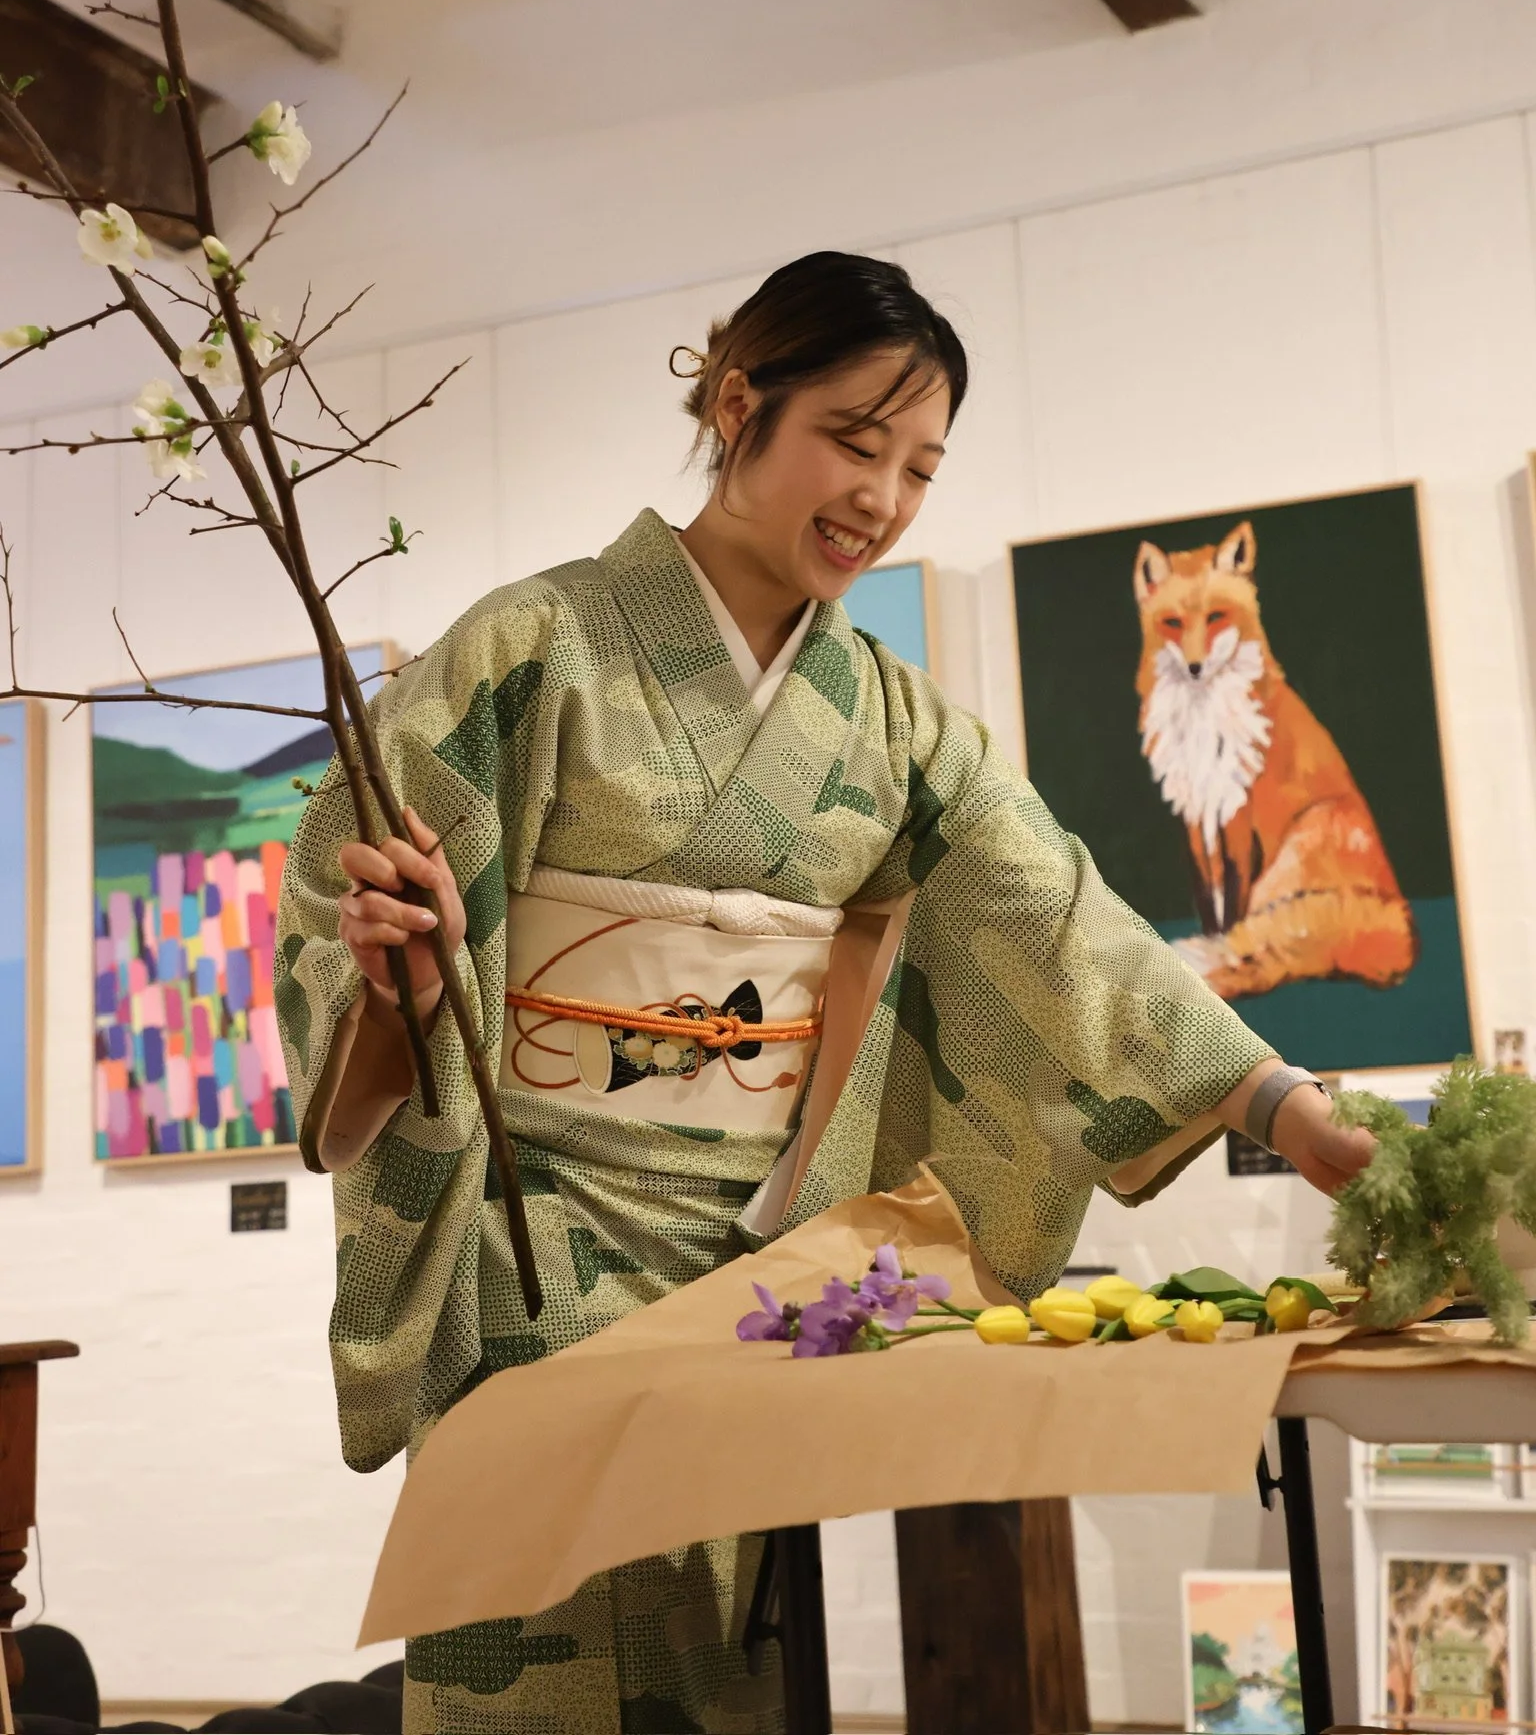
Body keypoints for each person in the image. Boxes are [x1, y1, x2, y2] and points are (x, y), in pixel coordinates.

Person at [275, 250, 1374, 1735]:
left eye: (920, 467)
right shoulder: (532, 650)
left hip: (756, 1271)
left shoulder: (892, 719)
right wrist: (408, 983)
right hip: (538, 1257)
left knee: (740, 1680)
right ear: (740, 406)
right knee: (544, 1673)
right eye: (856, 442)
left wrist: (1282, 1105)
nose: (884, 498)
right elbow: (375, 956)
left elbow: (1057, 917)